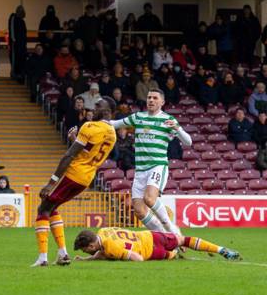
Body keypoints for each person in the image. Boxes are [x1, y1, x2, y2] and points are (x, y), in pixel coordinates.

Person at [31, 98, 117, 267]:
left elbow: (69, 155)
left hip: (74, 174)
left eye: (98, 106)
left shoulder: (90, 126)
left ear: (108, 111)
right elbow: (88, 152)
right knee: (52, 207)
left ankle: (43, 258)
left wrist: (51, 183)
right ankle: (62, 254)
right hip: (86, 178)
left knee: (43, 208)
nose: (94, 108)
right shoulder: (112, 133)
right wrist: (75, 140)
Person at [110, 89, 192, 237]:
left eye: (155, 98)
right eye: (149, 98)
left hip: (157, 165)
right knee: (139, 210)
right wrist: (93, 125)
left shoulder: (168, 120)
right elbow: (114, 124)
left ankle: (173, 231)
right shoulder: (138, 117)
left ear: (162, 102)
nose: (151, 100)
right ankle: (165, 236)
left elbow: (188, 142)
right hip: (140, 170)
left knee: (149, 199)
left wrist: (177, 128)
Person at [73, 227, 240, 262]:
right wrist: (87, 260)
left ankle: (173, 254)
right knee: (183, 240)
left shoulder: (111, 248)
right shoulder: (103, 231)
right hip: (151, 235)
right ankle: (221, 249)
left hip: (152, 251)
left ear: (91, 246)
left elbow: (137, 258)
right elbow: (101, 252)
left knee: (172, 255)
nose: (86, 251)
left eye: (85, 249)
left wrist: (120, 258)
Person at [8, 5, 27, 82]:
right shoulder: (13, 18)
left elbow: (24, 34)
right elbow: (12, 30)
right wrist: (13, 40)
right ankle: (14, 74)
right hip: (16, 44)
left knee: (21, 60)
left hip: (22, 44)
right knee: (15, 59)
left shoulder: (22, 21)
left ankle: (20, 75)